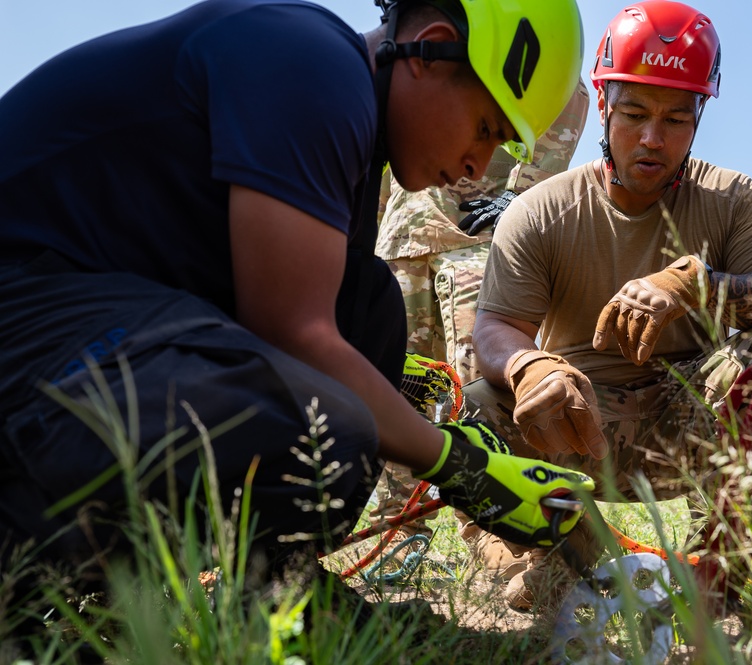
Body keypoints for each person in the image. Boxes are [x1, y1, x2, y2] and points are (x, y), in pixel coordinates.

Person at [0, 0, 595, 603]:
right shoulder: (312, 66)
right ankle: (33, 573)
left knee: (369, 313)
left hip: (75, 321)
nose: (480, 165)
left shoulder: (354, 153)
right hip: (22, 311)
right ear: (431, 51)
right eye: (487, 128)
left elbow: (313, 328)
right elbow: (293, 335)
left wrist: (401, 404)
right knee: (327, 423)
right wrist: (462, 466)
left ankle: (271, 593)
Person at [461, 0, 752, 612]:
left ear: (699, 119)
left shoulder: (734, 201)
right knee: (476, 409)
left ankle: (720, 569)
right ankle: (540, 553)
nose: (651, 138)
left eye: (675, 120)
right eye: (634, 113)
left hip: (683, 420)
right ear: (603, 106)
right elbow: (497, 328)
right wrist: (531, 367)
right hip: (574, 425)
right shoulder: (543, 210)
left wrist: (704, 286)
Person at [366, 80, 590, 553]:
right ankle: (397, 536)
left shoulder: (513, 35)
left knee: (472, 384)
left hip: (473, 236)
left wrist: (522, 195)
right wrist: (376, 220)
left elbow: (567, 92)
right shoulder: (434, 42)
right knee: (393, 384)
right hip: (402, 241)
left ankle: (493, 535)